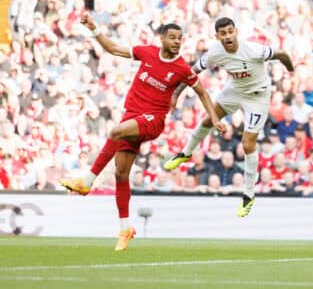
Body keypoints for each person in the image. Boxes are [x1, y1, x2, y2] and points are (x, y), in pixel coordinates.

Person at [59, 13, 225, 251]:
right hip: (132, 114)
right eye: (172, 37)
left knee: (115, 132)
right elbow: (114, 49)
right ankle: (125, 228)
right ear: (162, 39)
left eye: (180, 38)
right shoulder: (146, 52)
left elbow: (203, 93)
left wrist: (215, 118)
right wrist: (94, 28)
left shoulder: (181, 68)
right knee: (120, 174)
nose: (177, 41)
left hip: (152, 120)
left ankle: (87, 180)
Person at [165, 17, 294, 217]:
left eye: (230, 32)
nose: (227, 36)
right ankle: (186, 153)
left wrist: (291, 69)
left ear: (236, 32)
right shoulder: (215, 52)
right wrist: (176, 93)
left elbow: (282, 53)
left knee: (248, 143)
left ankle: (249, 194)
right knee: (208, 120)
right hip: (235, 90)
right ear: (217, 37)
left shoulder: (252, 49)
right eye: (223, 33)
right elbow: (192, 72)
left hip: (258, 96)